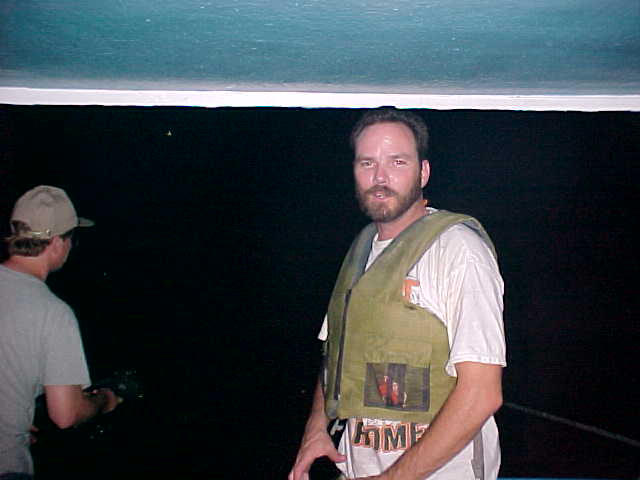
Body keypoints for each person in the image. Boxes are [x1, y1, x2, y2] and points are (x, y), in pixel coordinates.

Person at [289, 108, 506, 480]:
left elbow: (482, 394)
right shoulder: (360, 252)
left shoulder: (458, 251)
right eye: (367, 163)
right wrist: (315, 427)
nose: (380, 177)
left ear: (423, 172)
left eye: (397, 162)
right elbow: (337, 356)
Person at [0, 185, 120, 477]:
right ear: (56, 243)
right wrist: (105, 401)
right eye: (71, 238)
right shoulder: (53, 312)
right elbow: (66, 415)